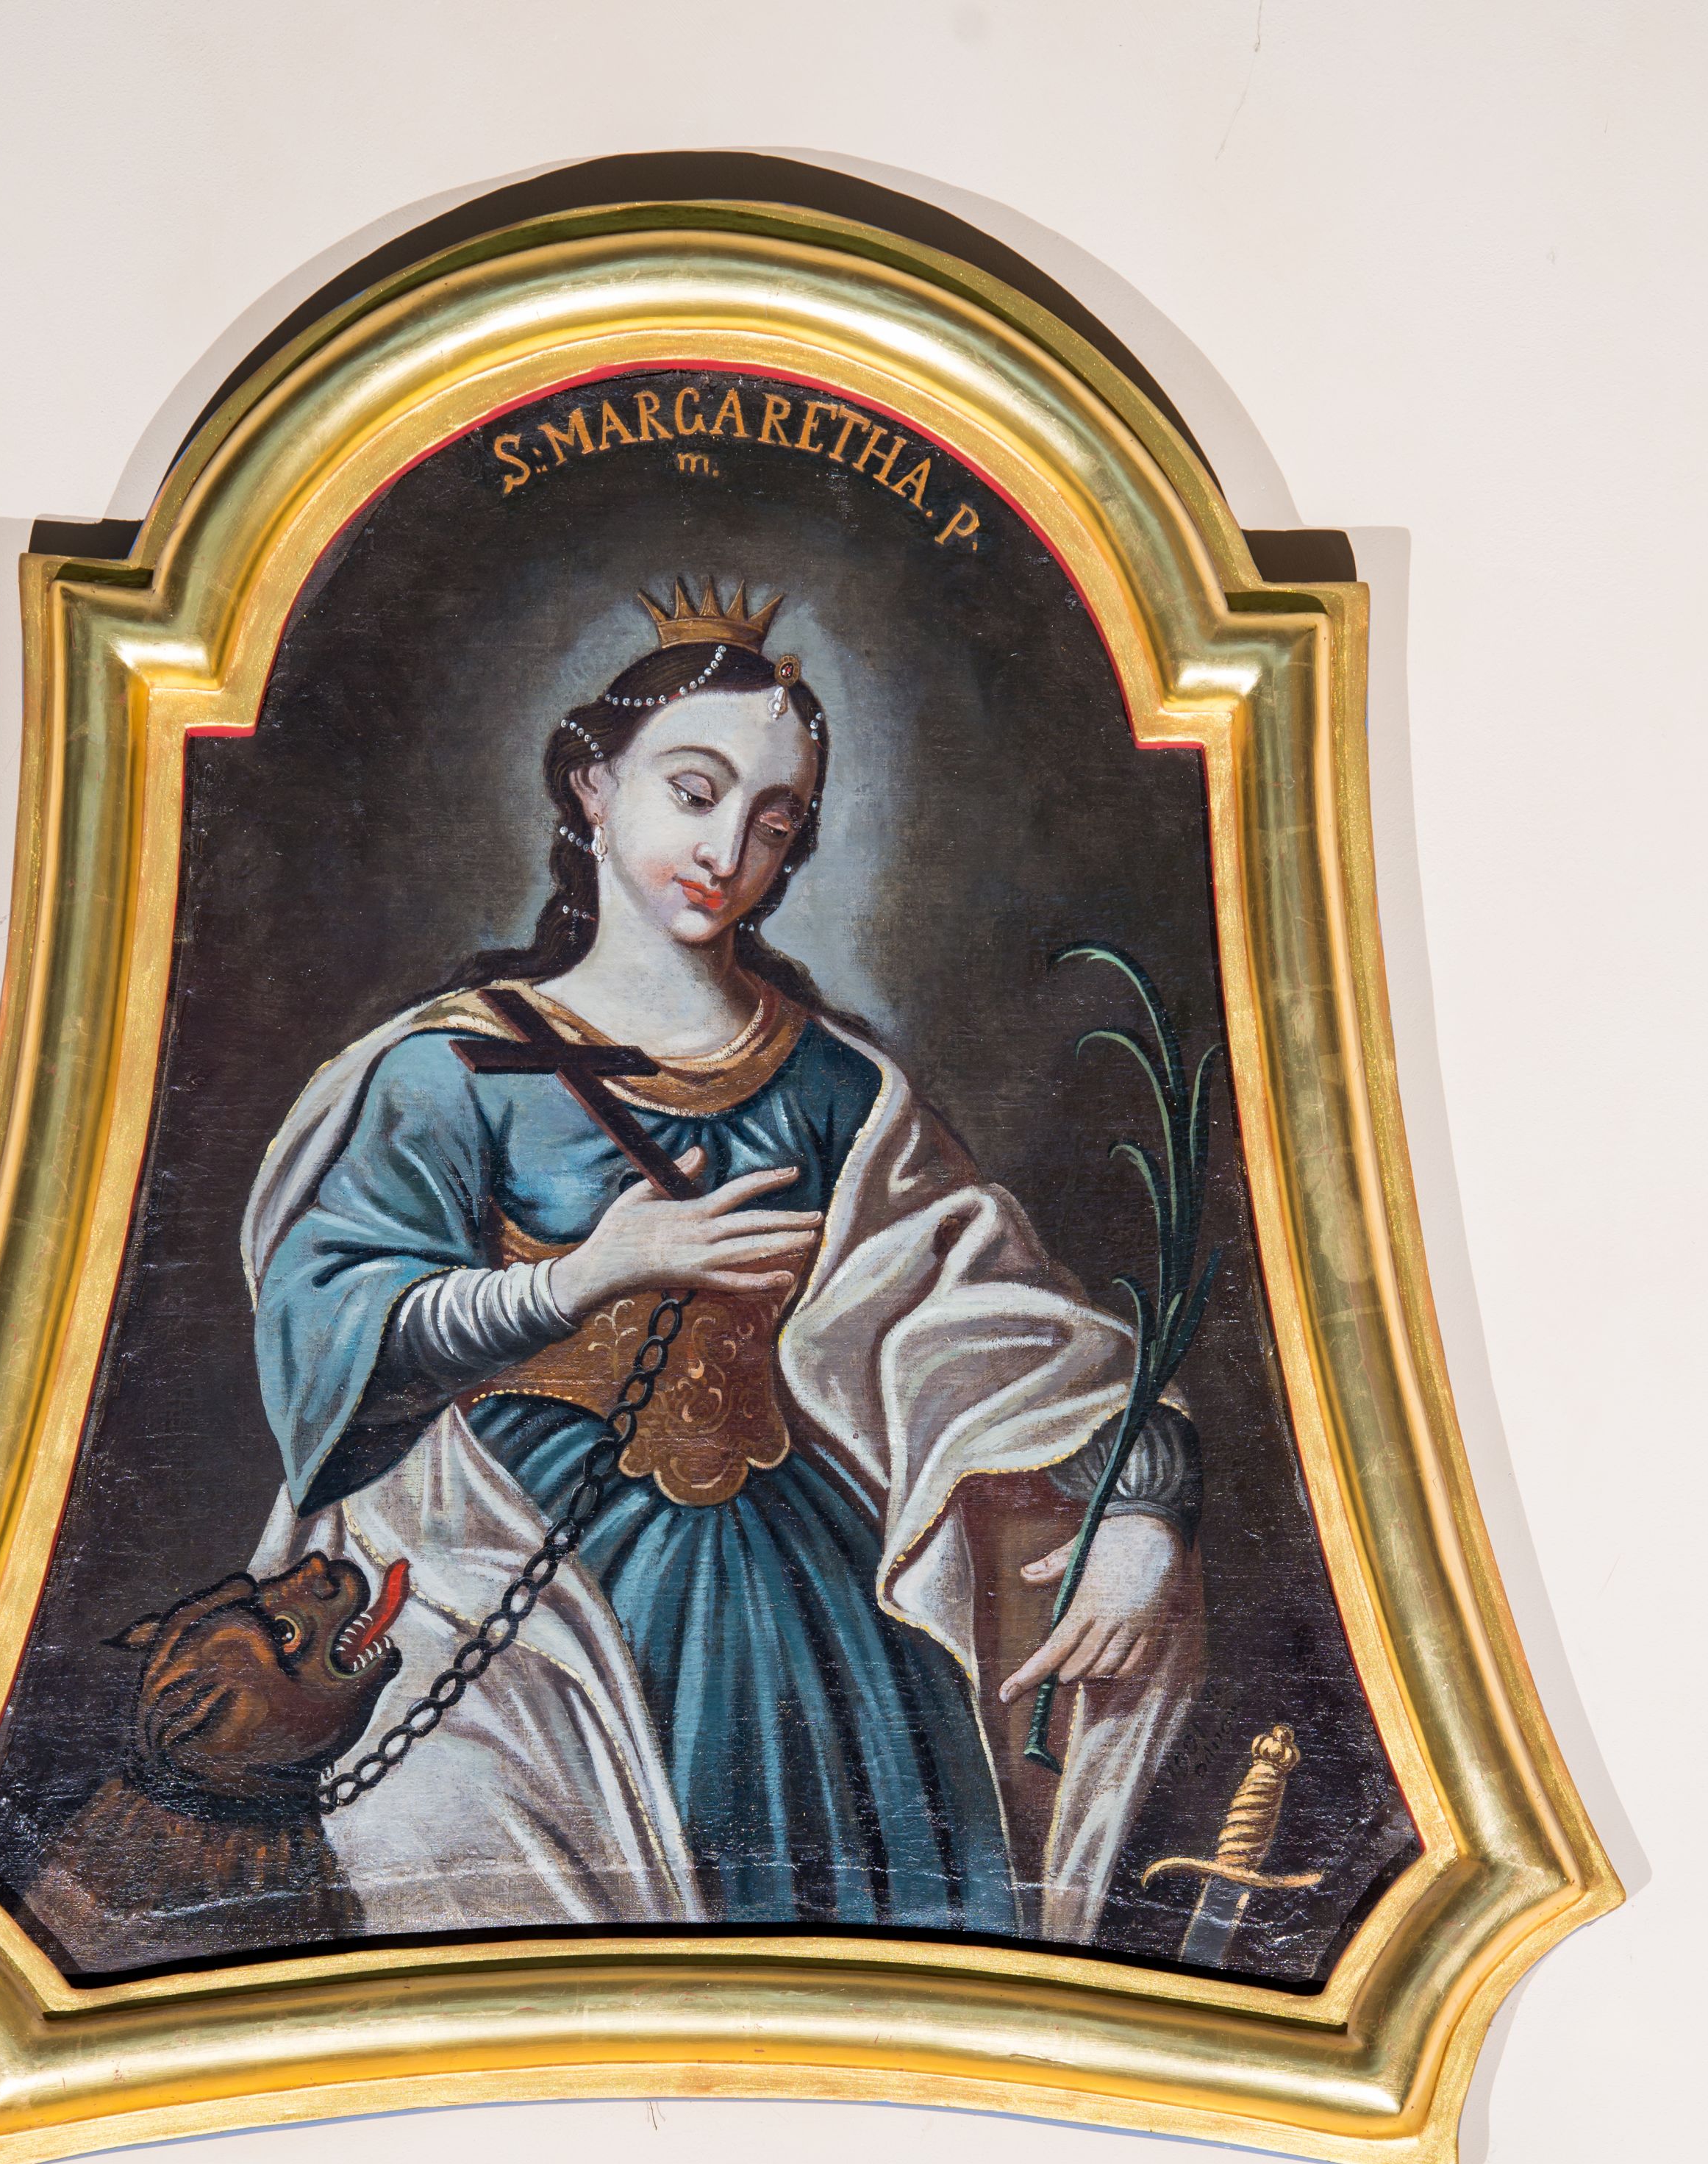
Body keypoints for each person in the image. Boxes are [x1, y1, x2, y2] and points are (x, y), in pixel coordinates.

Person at [240, 582, 1203, 1944]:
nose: (728, 848)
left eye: (775, 821)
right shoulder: (451, 1069)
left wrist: (1143, 1508)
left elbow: (996, 1329)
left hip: (800, 1605)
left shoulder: (837, 1090)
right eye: (694, 793)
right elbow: (331, 1334)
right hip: (511, 1578)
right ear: (592, 787)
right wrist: (581, 1277)